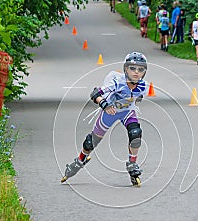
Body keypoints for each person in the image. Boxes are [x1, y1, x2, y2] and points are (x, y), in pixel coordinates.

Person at [61, 52, 149, 187]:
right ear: (125, 69)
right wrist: (105, 105)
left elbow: (137, 98)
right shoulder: (117, 83)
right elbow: (95, 93)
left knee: (135, 133)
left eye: (140, 69)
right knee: (92, 142)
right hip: (110, 112)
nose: (136, 72)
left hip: (126, 112)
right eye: (132, 68)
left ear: (145, 72)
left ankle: (132, 164)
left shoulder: (143, 86)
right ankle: (80, 159)